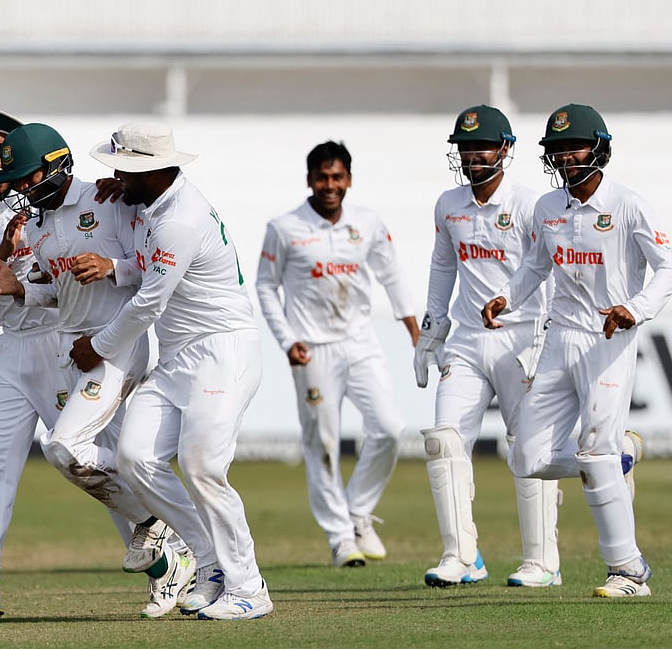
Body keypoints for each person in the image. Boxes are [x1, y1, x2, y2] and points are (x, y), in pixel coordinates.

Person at [0, 121, 196, 618]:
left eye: (27, 177)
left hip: (116, 346)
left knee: (62, 448)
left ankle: (163, 530)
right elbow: (58, 294)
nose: (20, 189)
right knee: (129, 460)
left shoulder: (110, 200)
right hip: (76, 351)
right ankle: (177, 569)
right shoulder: (35, 224)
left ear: (58, 166)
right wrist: (20, 290)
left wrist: (110, 267)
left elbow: (155, 266)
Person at [70, 122, 273, 620]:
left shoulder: (178, 218)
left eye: (126, 169)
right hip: (180, 354)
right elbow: (151, 270)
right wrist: (114, 266)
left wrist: (98, 345)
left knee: (203, 466)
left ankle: (250, 588)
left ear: (155, 170)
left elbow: (149, 303)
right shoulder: (150, 206)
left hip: (222, 349)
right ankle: (212, 566)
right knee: (135, 457)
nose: (117, 177)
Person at [482, 103, 672, 598]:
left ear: (600, 148)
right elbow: (535, 266)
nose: (566, 158)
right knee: (526, 458)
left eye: (575, 147)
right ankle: (619, 457)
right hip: (559, 338)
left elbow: (670, 268)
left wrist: (634, 309)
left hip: (608, 340)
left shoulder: (628, 204)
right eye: (557, 150)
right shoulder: (548, 208)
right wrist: (509, 297)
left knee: (593, 450)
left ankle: (628, 571)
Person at [414, 105, 560, 588]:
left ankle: (543, 562)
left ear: (505, 150)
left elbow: (551, 270)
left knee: (530, 450)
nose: (473, 157)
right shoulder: (448, 204)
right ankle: (462, 556)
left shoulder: (529, 204)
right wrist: (430, 333)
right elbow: (442, 268)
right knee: (443, 440)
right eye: (465, 148)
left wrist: (546, 335)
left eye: (482, 147)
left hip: (522, 340)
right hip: (467, 340)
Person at [256, 141, 418, 568]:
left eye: (338, 177)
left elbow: (392, 274)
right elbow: (265, 287)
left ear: (349, 179)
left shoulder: (367, 223)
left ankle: (358, 513)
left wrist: (414, 329)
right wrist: (287, 340)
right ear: (310, 179)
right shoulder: (285, 227)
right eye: (323, 177)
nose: (330, 186)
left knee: (388, 427)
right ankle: (340, 538)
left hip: (361, 342)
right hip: (312, 350)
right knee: (323, 444)